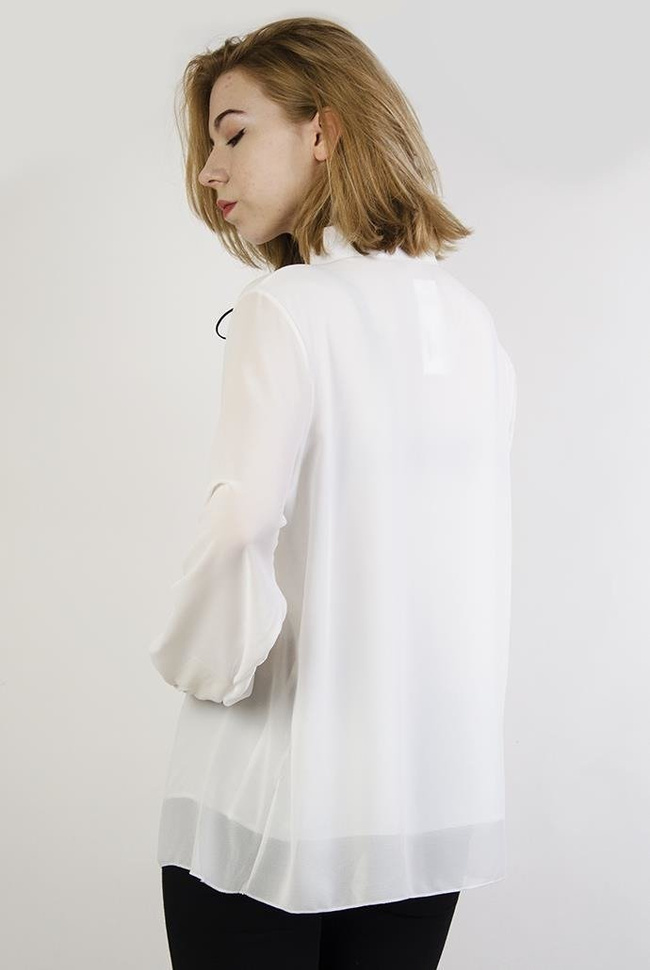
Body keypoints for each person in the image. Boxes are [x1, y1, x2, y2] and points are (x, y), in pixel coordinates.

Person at [148, 15, 517, 970]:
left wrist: (198, 665)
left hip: (272, 792)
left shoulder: (287, 307)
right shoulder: (470, 320)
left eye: (234, 133)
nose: (210, 170)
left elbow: (240, 523)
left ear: (325, 130)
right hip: (426, 801)